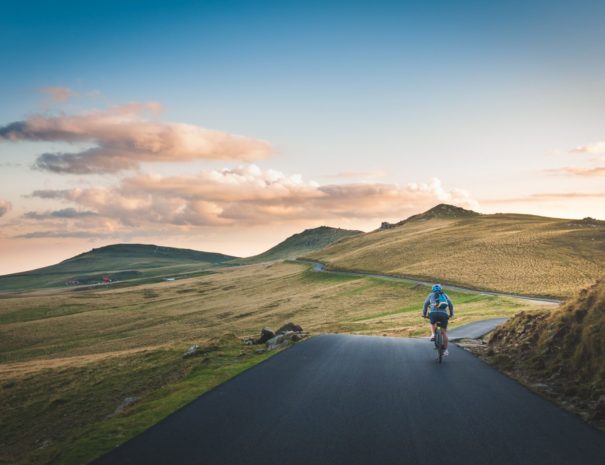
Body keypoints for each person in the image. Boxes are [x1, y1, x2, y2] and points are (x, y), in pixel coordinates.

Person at [422, 284, 454, 356]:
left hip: (433, 314)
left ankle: (433, 334)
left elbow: (425, 305)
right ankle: (445, 350)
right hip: (443, 315)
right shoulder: (445, 295)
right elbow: (450, 305)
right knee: (444, 332)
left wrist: (424, 314)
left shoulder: (430, 295)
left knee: (432, 323)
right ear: (441, 289)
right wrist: (451, 314)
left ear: (432, 290)